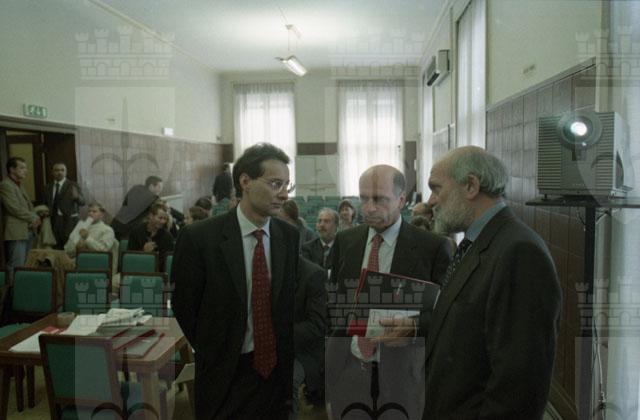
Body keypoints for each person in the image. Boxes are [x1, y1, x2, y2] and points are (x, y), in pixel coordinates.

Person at [422, 146, 561, 419]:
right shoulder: (477, 241)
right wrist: (418, 325)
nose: (430, 201)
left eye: (436, 188)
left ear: (471, 186)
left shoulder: (519, 252)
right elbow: (470, 326)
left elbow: (520, 385)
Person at [172, 143, 299, 419]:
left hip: (276, 375)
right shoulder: (199, 238)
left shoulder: (289, 236)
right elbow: (184, 306)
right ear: (245, 182)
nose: (283, 194)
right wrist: (214, 348)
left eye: (287, 185)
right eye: (275, 184)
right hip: (225, 374)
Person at [326, 165, 451, 420]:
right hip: (350, 373)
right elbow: (335, 308)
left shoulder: (433, 248)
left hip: (404, 379)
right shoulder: (345, 241)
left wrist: (412, 326)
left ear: (401, 199)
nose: (369, 208)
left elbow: (446, 315)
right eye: (363, 199)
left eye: (379, 199)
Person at [291, 256, 328, 419]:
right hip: (266, 347)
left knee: (287, 380)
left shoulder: (313, 274)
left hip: (302, 351)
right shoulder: (264, 269)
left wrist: (277, 335)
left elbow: (316, 326)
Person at [0, 157, 40, 281]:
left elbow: (28, 206)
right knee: (16, 264)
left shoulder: (19, 185)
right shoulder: (6, 185)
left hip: (27, 229)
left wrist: (35, 218)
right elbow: (14, 208)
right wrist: (34, 217)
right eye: (22, 168)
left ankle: (22, 289)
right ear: (12, 169)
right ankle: (13, 291)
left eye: (25, 168)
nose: (25, 171)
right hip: (16, 232)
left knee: (25, 265)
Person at [64, 203, 118, 273]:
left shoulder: (107, 230)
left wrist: (87, 238)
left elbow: (104, 249)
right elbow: (67, 249)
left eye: (94, 211)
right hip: (76, 261)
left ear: (102, 214)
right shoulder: (80, 227)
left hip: (97, 263)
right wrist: (76, 247)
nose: (90, 213)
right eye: (89, 211)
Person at [43, 162, 85, 249]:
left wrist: (77, 197)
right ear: (52, 172)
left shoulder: (73, 185)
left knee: (70, 249)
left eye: (62, 170)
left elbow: (83, 202)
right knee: (55, 248)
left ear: (66, 172)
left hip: (70, 222)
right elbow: (45, 203)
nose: (60, 172)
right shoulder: (48, 187)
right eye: (57, 170)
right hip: (53, 222)